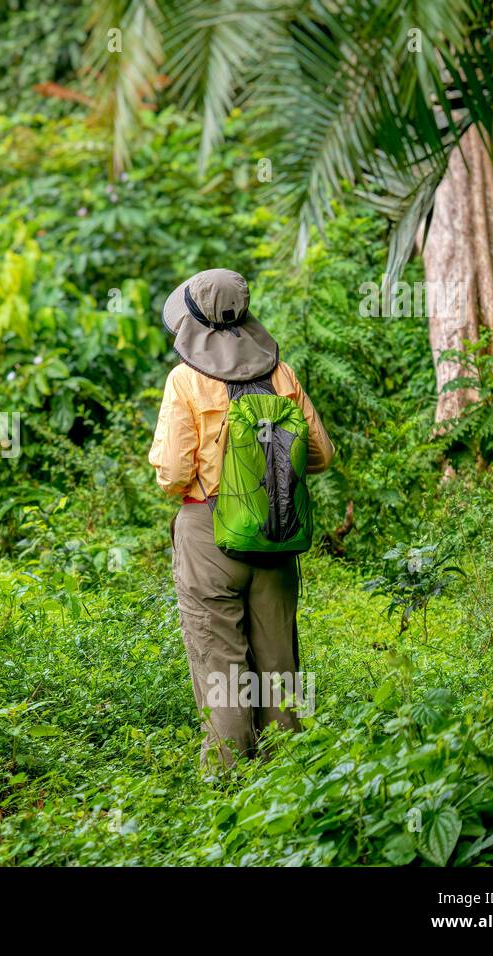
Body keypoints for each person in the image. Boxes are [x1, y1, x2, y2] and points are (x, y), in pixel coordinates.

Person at [149, 268, 334, 770]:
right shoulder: (281, 374)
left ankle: (228, 789)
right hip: (276, 537)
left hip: (208, 536)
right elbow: (319, 456)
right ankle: (291, 781)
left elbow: (171, 475)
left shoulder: (185, 379)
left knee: (221, 668)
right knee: (279, 669)